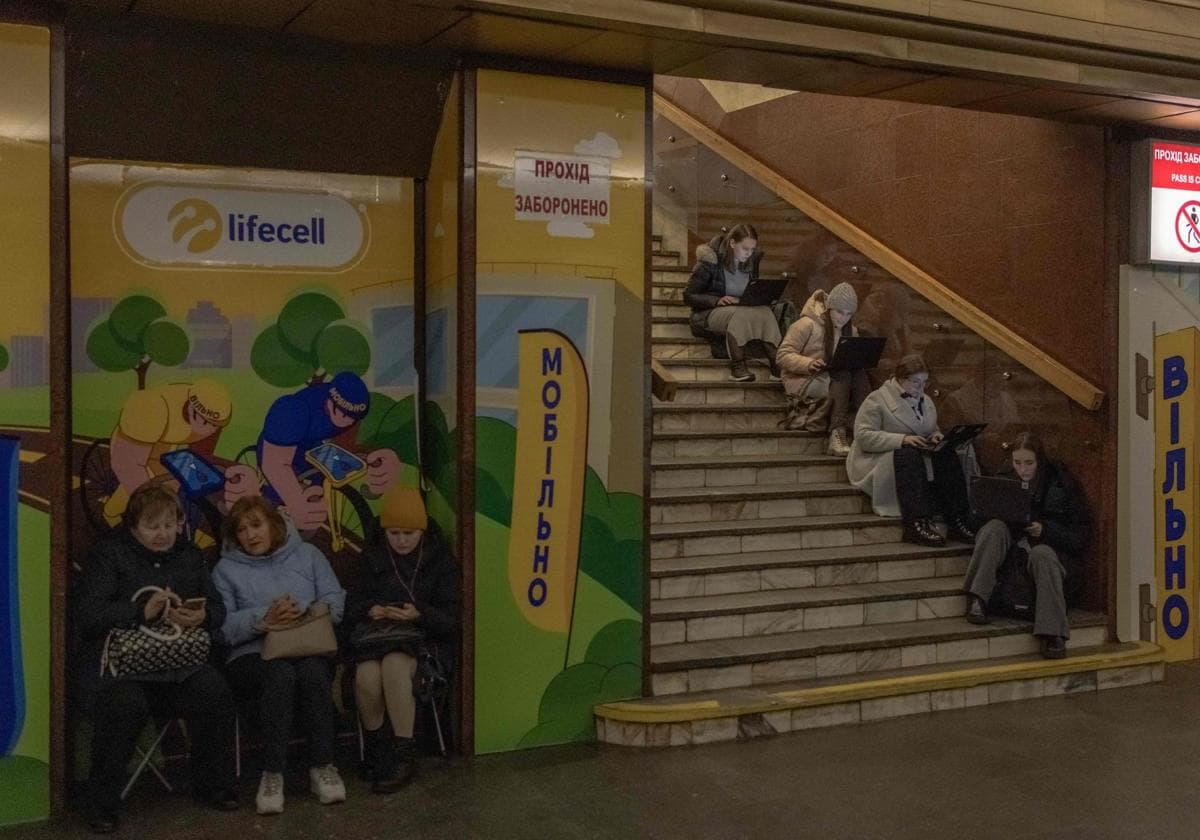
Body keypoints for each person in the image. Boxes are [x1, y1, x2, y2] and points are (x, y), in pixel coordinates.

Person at [74, 484, 237, 834]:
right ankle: (102, 803)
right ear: (133, 527)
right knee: (123, 704)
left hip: (178, 664)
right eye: (152, 526)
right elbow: (88, 614)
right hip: (123, 670)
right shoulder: (109, 555)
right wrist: (139, 611)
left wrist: (202, 617)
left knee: (213, 689)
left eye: (169, 525)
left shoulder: (190, 555)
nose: (163, 534)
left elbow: (218, 607)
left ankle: (214, 787)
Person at [211, 495, 347, 815]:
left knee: (313, 672)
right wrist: (264, 619)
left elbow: (335, 601)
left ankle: (323, 766)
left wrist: (303, 611)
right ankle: (272, 773)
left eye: (256, 525)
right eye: (241, 530)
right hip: (252, 654)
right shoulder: (225, 569)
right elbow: (221, 628)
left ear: (273, 524)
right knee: (281, 674)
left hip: (308, 643)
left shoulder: (308, 555)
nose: (250, 535)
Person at [343, 486, 459, 793]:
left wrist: (418, 614)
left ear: (422, 530)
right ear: (384, 531)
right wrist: (372, 609)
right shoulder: (371, 556)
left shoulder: (439, 560)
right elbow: (350, 606)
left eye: (409, 533)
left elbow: (451, 620)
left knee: (394, 666)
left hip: (423, 642)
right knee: (367, 676)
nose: (402, 540)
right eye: (394, 533)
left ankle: (404, 752)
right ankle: (377, 748)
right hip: (376, 639)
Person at [962, 432, 1089, 660]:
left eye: (1029, 463)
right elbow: (975, 522)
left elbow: (1079, 535)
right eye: (1017, 463)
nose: (1023, 469)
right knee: (993, 529)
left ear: (1040, 462)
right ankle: (978, 598)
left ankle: (1052, 633)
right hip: (1011, 549)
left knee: (1043, 555)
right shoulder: (1004, 478)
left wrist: (1046, 530)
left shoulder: (1059, 483)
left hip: (1048, 548)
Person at [223, 370, 400, 531]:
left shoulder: (351, 416)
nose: (345, 421)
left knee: (321, 486)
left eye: (352, 418)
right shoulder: (294, 409)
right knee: (280, 496)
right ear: (329, 400)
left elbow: (347, 445)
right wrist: (294, 502)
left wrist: (375, 463)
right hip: (282, 447)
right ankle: (260, 507)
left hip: (315, 447)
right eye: (341, 413)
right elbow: (274, 463)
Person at [846, 354, 976, 547]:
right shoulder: (877, 399)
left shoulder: (926, 399)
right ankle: (916, 522)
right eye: (916, 382)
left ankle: (957, 519)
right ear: (900, 379)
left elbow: (930, 427)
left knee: (946, 453)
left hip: (915, 454)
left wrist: (935, 435)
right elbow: (864, 436)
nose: (921, 388)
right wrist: (902, 439)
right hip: (879, 457)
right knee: (909, 456)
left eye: (924, 382)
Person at [103, 379, 232, 525]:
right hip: (135, 437)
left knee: (173, 481)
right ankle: (110, 514)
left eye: (214, 426)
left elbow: (201, 457)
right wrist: (152, 508)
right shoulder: (151, 405)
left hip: (165, 442)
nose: (210, 430)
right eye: (205, 422)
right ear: (191, 410)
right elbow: (126, 464)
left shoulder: (214, 414)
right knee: (143, 485)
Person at [776, 281, 869, 455]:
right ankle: (837, 432)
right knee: (842, 377)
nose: (844, 318)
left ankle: (867, 428)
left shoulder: (851, 331)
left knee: (857, 374)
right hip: (805, 377)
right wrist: (809, 363)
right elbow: (782, 355)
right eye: (840, 312)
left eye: (849, 314)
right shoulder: (806, 324)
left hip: (834, 377)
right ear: (829, 308)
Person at [684, 223, 782, 382]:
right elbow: (688, 296)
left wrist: (755, 297)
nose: (749, 254)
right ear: (732, 243)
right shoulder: (709, 261)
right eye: (745, 249)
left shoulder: (751, 262)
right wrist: (717, 300)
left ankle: (776, 365)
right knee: (740, 315)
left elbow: (750, 288)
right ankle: (737, 366)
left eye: (752, 249)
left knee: (765, 312)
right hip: (707, 313)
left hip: (739, 307)